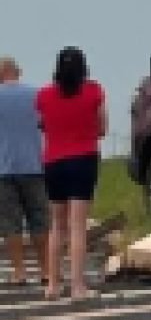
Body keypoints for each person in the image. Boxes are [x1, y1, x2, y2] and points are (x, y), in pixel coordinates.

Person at [35, 47, 108, 300]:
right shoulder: (93, 91)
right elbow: (103, 128)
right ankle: (78, 286)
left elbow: (43, 124)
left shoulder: (44, 95)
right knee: (78, 225)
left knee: (57, 225)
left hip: (53, 161)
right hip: (83, 159)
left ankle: (53, 284)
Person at [0, 57, 49, 286]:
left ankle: (19, 271)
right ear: (17, 72)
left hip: (4, 168)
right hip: (34, 165)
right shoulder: (37, 95)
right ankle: (45, 270)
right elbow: (45, 124)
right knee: (39, 220)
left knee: (11, 223)